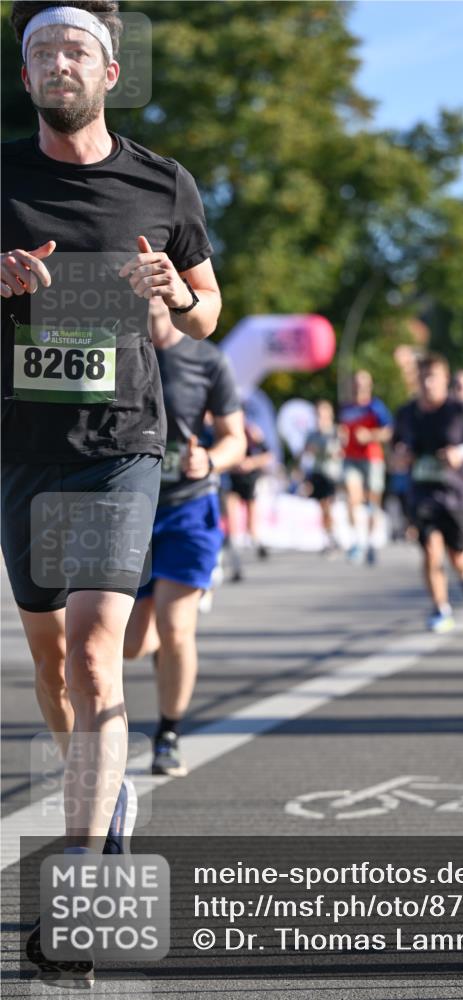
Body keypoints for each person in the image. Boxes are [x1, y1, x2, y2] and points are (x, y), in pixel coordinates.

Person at [1, 1, 220, 982]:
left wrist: (174, 292)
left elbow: (210, 310)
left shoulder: (161, 181)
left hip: (122, 446)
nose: (58, 61)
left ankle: (80, 880)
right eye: (40, 50)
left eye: (74, 48)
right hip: (22, 448)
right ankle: (105, 788)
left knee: (95, 654)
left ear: (110, 68)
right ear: (24, 76)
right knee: (52, 666)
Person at [123, 300, 245, 777]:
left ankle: (168, 734)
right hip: (130, 509)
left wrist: (210, 460)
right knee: (131, 645)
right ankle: (162, 641)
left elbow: (235, 438)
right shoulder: (117, 347)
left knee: (177, 628)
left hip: (189, 508)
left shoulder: (206, 359)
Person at [393, 353, 463, 633]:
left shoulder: (460, 410)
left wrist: (462, 452)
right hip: (421, 491)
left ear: (445, 380)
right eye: (422, 378)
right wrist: (400, 455)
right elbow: (394, 448)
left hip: (455, 492)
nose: (427, 383)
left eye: (433, 377)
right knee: (431, 552)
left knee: (457, 555)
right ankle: (440, 608)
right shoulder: (407, 413)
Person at [339, 369, 393, 564]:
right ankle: (356, 542)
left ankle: (370, 542)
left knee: (372, 503)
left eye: (363, 383)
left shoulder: (375, 407)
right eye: (356, 383)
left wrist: (370, 436)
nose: (359, 387)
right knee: (353, 499)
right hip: (350, 458)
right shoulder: (346, 408)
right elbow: (342, 430)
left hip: (372, 458)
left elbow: (388, 432)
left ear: (369, 386)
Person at [225, 418, 273, 580]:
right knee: (232, 524)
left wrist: (251, 463)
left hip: (250, 481)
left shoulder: (251, 431)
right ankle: (236, 565)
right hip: (232, 482)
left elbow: (267, 455)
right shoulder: (224, 431)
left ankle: (258, 543)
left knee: (251, 524)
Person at [302, 399, 343, 554]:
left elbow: (338, 452)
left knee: (328, 505)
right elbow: (306, 451)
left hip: (332, 474)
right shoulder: (313, 434)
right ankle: (329, 536)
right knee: (322, 506)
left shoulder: (335, 431)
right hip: (318, 472)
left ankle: (332, 535)